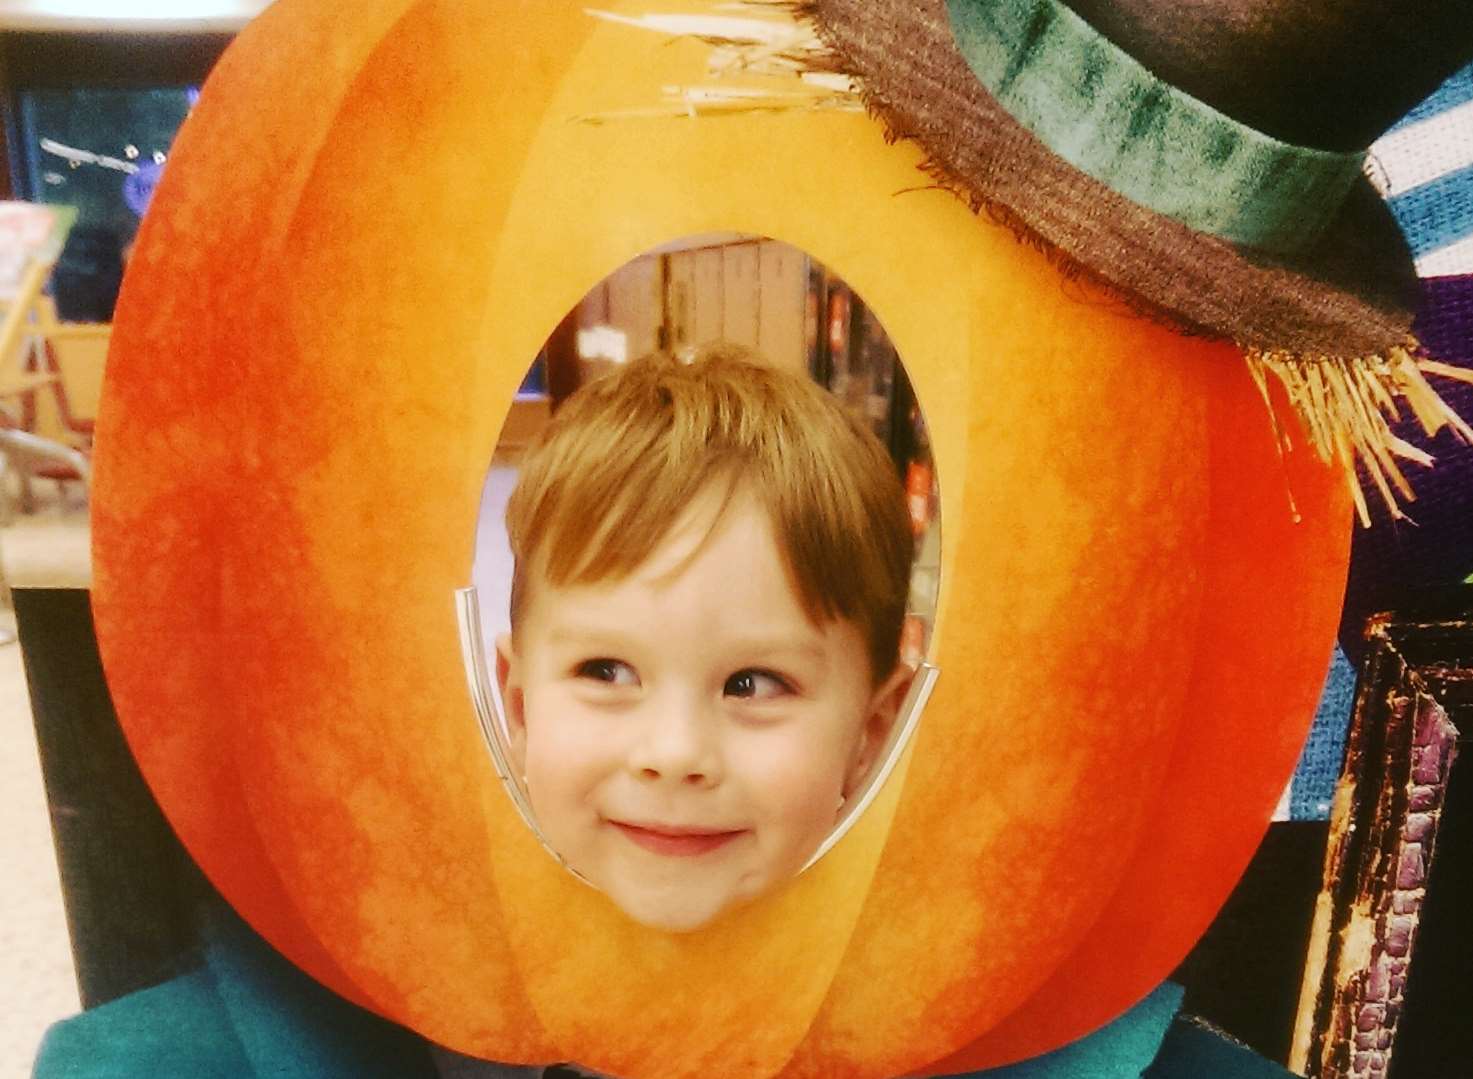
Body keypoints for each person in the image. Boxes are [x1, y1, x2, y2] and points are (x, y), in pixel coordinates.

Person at [493, 342, 916, 932]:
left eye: (753, 684)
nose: (674, 754)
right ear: (519, 706)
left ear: (870, 735)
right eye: (606, 671)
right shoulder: (435, 957)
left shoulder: (920, 987)